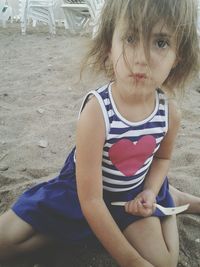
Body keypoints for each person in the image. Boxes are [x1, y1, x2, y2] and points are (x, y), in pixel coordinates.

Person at [0, 0, 199, 266]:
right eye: (130, 38)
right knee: (6, 241)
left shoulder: (169, 113)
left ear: (179, 55)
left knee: (165, 262)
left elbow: (161, 160)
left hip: (134, 191)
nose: (141, 58)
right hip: (83, 189)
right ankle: (162, 200)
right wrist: (130, 261)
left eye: (161, 42)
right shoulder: (97, 111)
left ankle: (168, 201)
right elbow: (91, 199)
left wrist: (151, 191)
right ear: (109, 45)